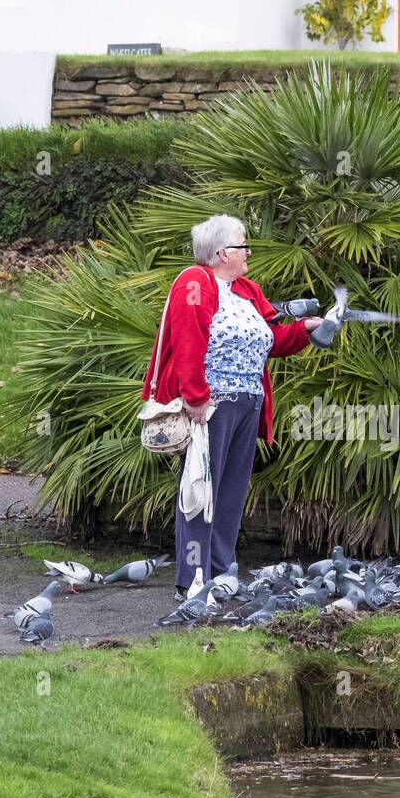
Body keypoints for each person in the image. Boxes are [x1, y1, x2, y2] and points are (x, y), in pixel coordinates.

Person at [140, 214, 323, 599]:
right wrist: (195, 397)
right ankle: (193, 580)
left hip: (248, 402)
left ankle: (221, 573)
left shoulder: (246, 289)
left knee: (231, 491)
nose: (248, 253)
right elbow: (189, 340)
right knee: (200, 488)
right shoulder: (196, 282)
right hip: (212, 404)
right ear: (222, 252)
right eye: (243, 247)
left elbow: (271, 341)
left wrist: (305, 331)